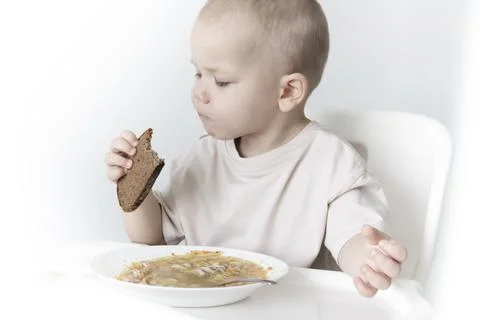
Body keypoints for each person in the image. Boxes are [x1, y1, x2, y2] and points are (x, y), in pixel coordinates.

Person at [104, 0, 407, 298]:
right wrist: (134, 189)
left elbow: (352, 238)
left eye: (220, 81)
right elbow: (151, 238)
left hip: (291, 309)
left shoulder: (330, 164)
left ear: (287, 91)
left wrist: (369, 260)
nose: (199, 92)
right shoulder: (202, 160)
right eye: (199, 74)